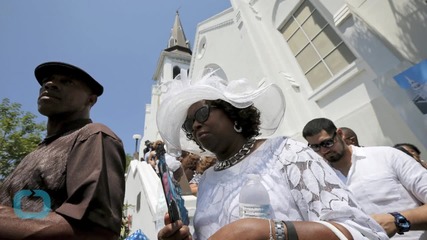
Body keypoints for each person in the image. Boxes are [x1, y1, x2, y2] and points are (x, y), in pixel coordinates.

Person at [156, 73, 388, 240]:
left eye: (202, 113)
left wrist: (265, 231)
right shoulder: (206, 181)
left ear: (233, 112)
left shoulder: (287, 153)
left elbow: (362, 232)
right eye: (190, 123)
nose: (196, 124)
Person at [0, 62, 126, 239]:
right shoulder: (37, 152)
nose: (49, 84)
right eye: (46, 80)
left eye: (66, 82)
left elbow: (95, 232)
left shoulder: (92, 135)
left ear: (91, 99)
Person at [303, 118, 427, 239]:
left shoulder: (387, 156)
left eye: (327, 143)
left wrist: (396, 221)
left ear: (340, 134)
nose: (324, 150)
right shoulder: (320, 182)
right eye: (315, 147)